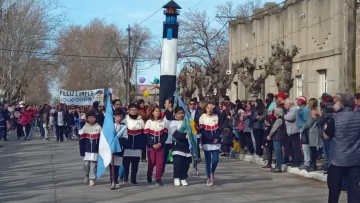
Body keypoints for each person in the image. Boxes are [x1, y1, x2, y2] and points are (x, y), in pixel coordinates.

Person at [324, 93, 360, 203]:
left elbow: (326, 136)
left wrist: (325, 128)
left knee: (334, 189)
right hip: (355, 158)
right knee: (354, 188)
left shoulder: (335, 118)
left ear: (342, 105)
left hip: (337, 159)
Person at [122, 103, 145, 186]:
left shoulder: (141, 121)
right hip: (127, 145)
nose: (134, 111)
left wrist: (142, 145)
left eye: (135, 110)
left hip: (137, 145)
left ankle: (133, 179)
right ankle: (125, 174)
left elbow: (143, 134)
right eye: (132, 110)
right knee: (126, 163)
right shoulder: (125, 120)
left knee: (135, 164)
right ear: (128, 110)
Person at [144, 106, 168, 186]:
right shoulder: (149, 122)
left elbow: (165, 135)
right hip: (152, 146)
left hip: (160, 146)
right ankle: (149, 174)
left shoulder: (163, 122)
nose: (158, 113)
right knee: (152, 162)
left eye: (159, 111)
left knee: (160, 163)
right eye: (156, 111)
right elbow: (146, 135)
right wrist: (153, 144)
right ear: (153, 112)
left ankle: (158, 179)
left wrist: (160, 143)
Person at [199, 102, 221, 186]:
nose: (210, 110)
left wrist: (216, 138)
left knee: (215, 160)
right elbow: (202, 130)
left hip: (216, 141)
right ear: (205, 108)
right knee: (208, 161)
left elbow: (219, 128)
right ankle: (209, 177)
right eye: (208, 108)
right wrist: (211, 139)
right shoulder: (202, 117)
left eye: (211, 108)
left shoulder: (216, 116)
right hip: (207, 141)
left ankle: (212, 172)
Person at [169, 106, 192, 186]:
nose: (181, 115)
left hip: (187, 147)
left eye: (182, 113)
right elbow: (175, 134)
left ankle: (184, 178)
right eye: (179, 113)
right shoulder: (173, 122)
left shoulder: (188, 122)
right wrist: (184, 136)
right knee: (178, 164)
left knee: (186, 164)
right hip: (177, 146)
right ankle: (176, 177)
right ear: (175, 114)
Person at [79, 111, 101, 186]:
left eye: (93, 117)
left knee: (93, 165)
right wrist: (82, 151)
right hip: (86, 150)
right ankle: (86, 176)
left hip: (95, 150)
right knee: (86, 164)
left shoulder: (98, 127)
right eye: (90, 117)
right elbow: (81, 141)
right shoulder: (84, 128)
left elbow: (101, 140)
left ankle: (92, 178)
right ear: (87, 119)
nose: (91, 119)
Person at [302, 98, 322, 171]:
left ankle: (313, 164)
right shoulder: (318, 110)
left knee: (312, 149)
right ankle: (313, 164)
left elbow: (309, 123)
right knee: (314, 149)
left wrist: (304, 127)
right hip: (316, 131)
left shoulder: (312, 112)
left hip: (312, 132)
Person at [110, 109, 126, 190]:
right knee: (111, 165)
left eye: (120, 116)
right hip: (111, 148)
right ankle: (112, 180)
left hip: (119, 148)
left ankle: (116, 179)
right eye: (117, 116)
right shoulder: (110, 125)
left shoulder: (124, 126)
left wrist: (118, 140)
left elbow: (125, 138)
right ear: (114, 116)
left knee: (116, 165)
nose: (119, 118)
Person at [266, 107, 287, 173]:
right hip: (281, 137)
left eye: (275, 112)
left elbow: (274, 129)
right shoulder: (282, 119)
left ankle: (278, 167)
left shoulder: (279, 120)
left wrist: (269, 135)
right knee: (279, 152)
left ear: (277, 113)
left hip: (277, 137)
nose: (274, 113)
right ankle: (278, 166)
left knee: (277, 152)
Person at [284, 98, 301, 167]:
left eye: (285, 104)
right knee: (291, 147)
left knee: (295, 147)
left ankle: (297, 161)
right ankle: (293, 160)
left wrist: (283, 116)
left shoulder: (295, 109)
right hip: (290, 131)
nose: (284, 105)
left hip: (294, 131)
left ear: (289, 104)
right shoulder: (289, 110)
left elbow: (290, 118)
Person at [163, 98, 174, 173]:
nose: (164, 104)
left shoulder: (170, 113)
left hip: (174, 138)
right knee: (163, 157)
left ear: (170, 104)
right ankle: (161, 171)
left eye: (166, 103)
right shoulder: (165, 113)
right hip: (166, 139)